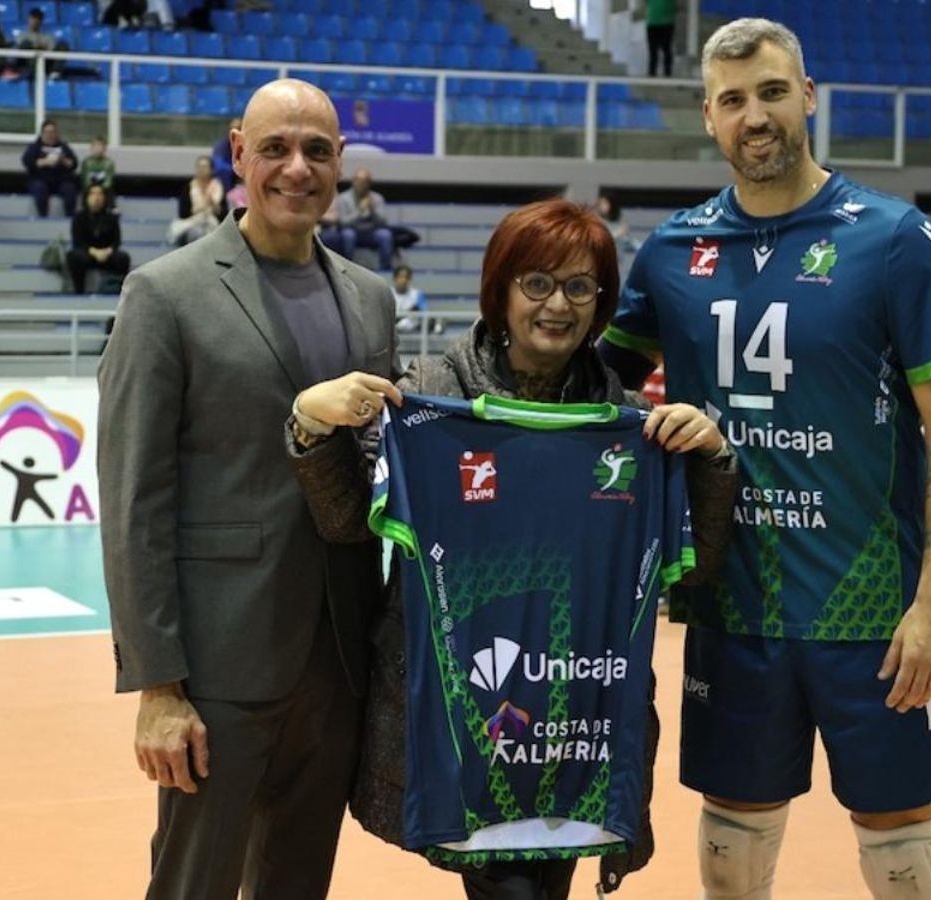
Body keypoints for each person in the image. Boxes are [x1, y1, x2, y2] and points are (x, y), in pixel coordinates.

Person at [596, 19, 931, 899]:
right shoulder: (671, 251)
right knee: (735, 830)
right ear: (709, 117)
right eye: (733, 100)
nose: (754, 116)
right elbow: (588, 386)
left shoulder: (893, 241)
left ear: (808, 96)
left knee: (899, 837)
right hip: (732, 606)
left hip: (873, 611)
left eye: (771, 92)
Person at [288, 198, 738, 899]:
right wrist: (311, 430)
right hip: (466, 720)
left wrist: (709, 459)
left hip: (576, 722)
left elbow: (696, 569)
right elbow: (348, 521)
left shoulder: (632, 430)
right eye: (536, 282)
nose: (557, 304)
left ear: (601, 305)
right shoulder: (432, 403)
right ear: (500, 291)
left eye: (579, 287)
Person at [96, 78, 397, 900]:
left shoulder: (371, 301)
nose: (296, 168)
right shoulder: (164, 295)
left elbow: (385, 478)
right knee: (194, 884)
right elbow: (133, 504)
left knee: (298, 883)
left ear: (340, 165)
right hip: (218, 668)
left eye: (318, 152)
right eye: (275, 148)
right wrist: (158, 686)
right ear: (238, 153)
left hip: (338, 661)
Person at [327, 168, 395, 271]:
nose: (361, 184)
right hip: (353, 231)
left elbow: (383, 223)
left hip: (371, 232)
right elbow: (343, 223)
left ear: (369, 183)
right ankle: (347, 268)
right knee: (348, 234)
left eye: (365, 182)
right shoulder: (344, 198)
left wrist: (373, 211)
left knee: (385, 235)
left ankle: (385, 268)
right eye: (359, 181)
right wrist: (359, 211)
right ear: (353, 181)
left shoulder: (377, 198)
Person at [66, 184, 130, 293]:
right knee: (73, 257)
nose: (97, 197)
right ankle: (79, 291)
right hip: (88, 254)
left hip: (107, 255)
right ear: (86, 198)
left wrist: (107, 251)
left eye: (100, 194)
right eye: (93, 194)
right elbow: (78, 241)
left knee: (123, 258)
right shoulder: (79, 217)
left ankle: (119, 291)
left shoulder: (112, 218)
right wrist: (94, 252)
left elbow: (116, 241)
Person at [22, 120, 81, 218]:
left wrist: (63, 160)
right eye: (48, 132)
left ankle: (70, 218)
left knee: (70, 189)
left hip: (61, 180)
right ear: (42, 133)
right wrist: (44, 162)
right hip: (40, 179)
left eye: (53, 132)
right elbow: (27, 161)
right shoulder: (35, 146)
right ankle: (43, 218)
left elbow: (74, 163)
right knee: (39, 189)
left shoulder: (63, 146)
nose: (51, 135)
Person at [166, 155, 225, 247]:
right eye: (199, 167)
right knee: (195, 233)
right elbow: (183, 214)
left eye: (205, 167)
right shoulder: (189, 187)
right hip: (191, 222)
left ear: (212, 170)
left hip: (212, 223)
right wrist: (200, 209)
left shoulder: (218, 187)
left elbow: (223, 214)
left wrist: (211, 203)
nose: (202, 170)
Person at [388, 263, 427, 334]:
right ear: (394, 278)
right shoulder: (388, 294)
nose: (403, 280)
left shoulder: (417, 294)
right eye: (401, 277)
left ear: (410, 279)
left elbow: (423, 314)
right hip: (391, 334)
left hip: (413, 334)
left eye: (406, 277)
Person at [644, 0, 676, 78]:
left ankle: (667, 73)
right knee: (653, 51)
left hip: (665, 22)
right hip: (653, 22)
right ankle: (652, 73)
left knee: (666, 49)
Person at [79, 135, 116, 200]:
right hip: (90, 187)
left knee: (109, 192)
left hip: (103, 188)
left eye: (101, 146)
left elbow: (108, 180)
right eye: (96, 146)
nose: (98, 148)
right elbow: (84, 179)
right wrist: (92, 188)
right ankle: (84, 208)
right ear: (91, 148)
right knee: (85, 192)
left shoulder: (109, 163)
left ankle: (112, 208)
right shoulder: (86, 162)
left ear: (105, 149)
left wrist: (100, 189)